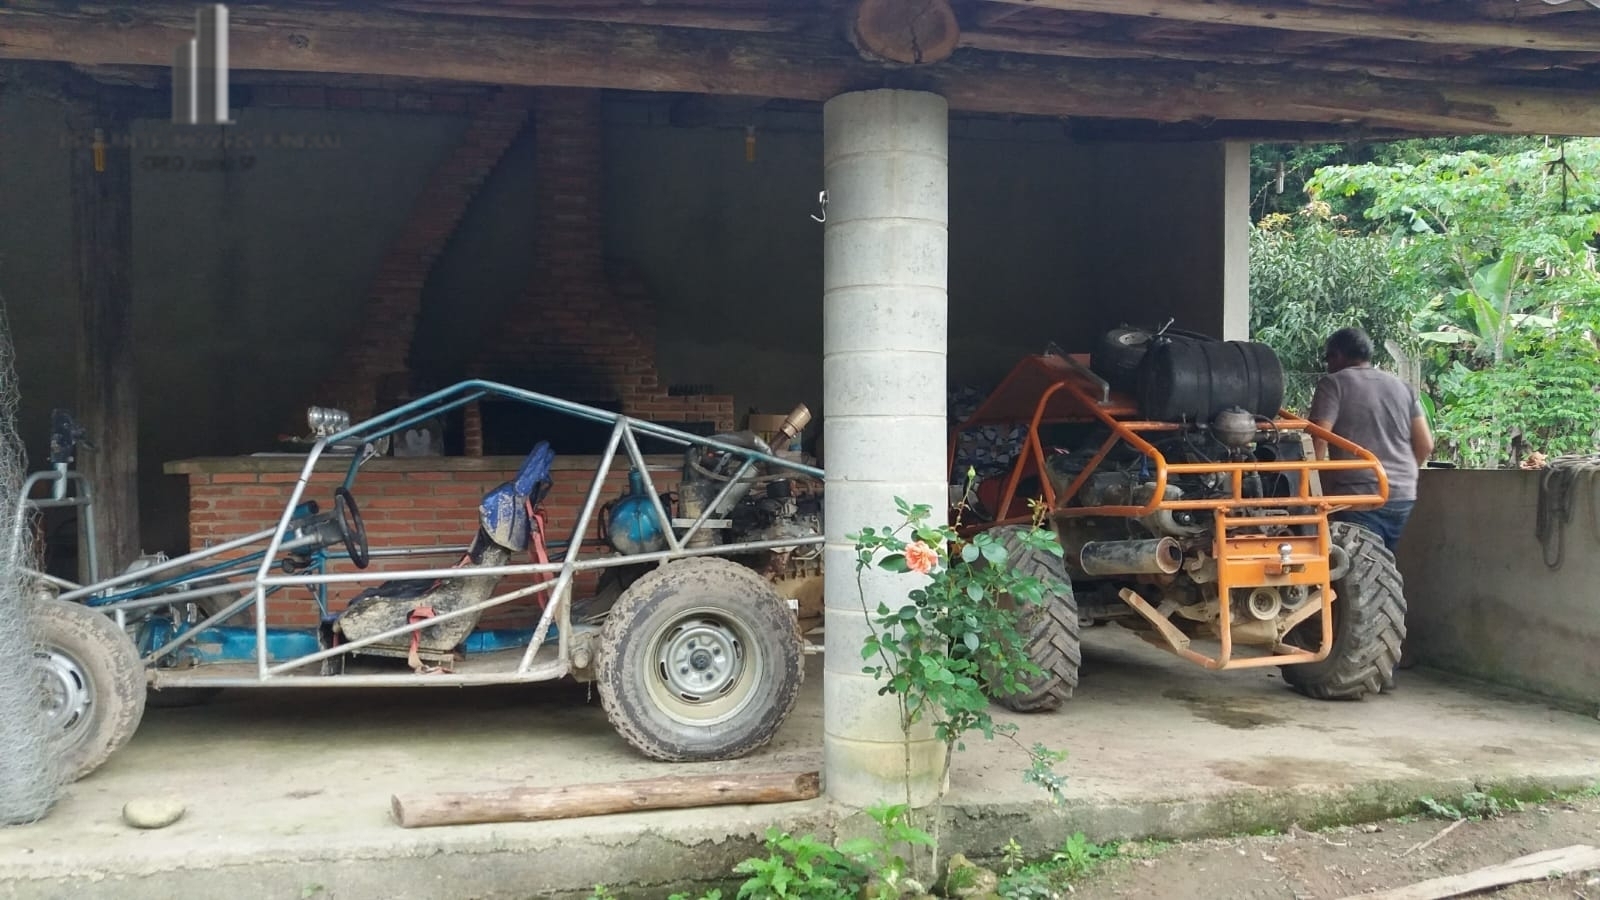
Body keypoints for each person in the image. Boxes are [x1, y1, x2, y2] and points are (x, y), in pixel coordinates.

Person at [1308, 326, 1434, 555]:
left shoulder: (1333, 384)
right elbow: (1425, 444)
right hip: (1402, 494)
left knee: (1356, 569)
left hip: (1358, 495)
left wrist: (1310, 492)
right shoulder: (1402, 387)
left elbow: (1317, 442)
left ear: (1337, 356)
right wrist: (1396, 475)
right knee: (1380, 563)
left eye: (1328, 359)